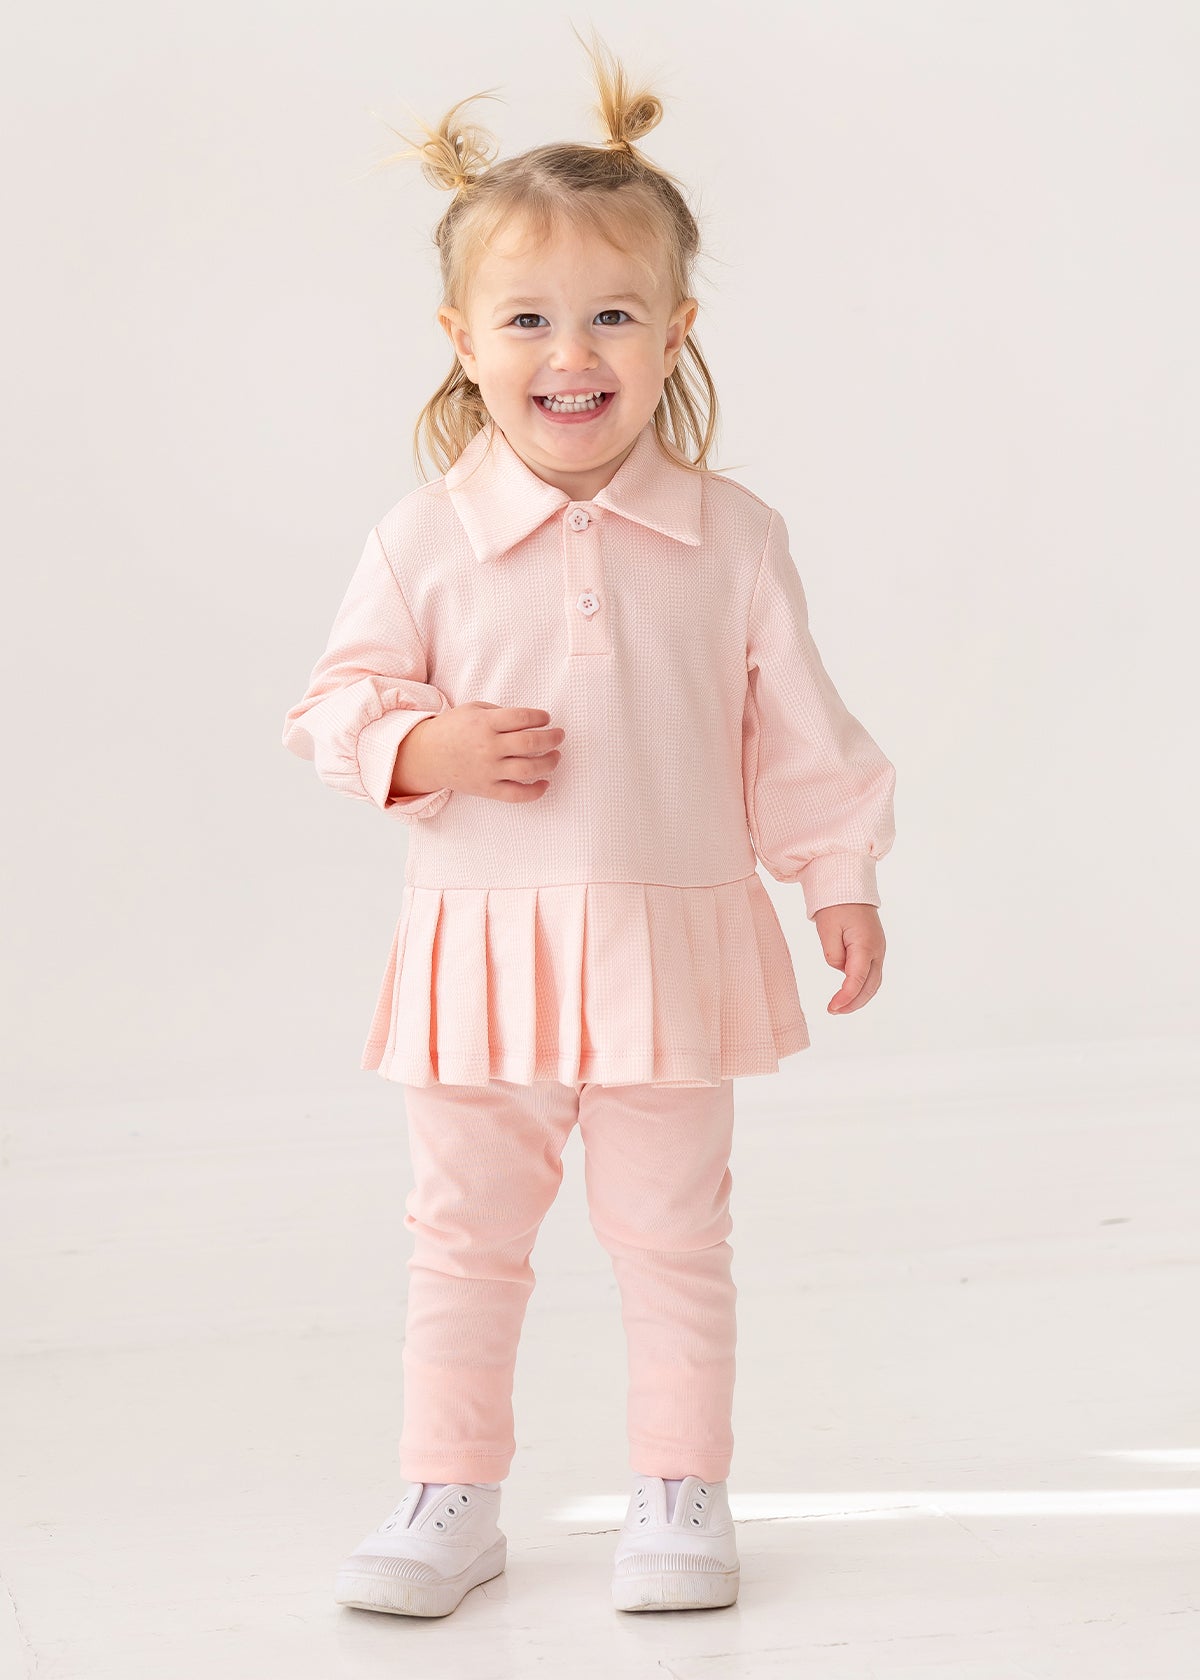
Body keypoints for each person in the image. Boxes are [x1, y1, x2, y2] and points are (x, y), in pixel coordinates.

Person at [281, 27, 897, 1620]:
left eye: (615, 312)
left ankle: (681, 1490)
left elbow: (800, 730)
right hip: (477, 959)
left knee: (672, 1237)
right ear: (463, 338)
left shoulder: (729, 537)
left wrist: (836, 875)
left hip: (664, 956)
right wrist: (430, 743)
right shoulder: (426, 537)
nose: (575, 349)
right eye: (532, 316)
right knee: (463, 1242)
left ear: (677, 327)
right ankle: (449, 1494)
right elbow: (330, 709)